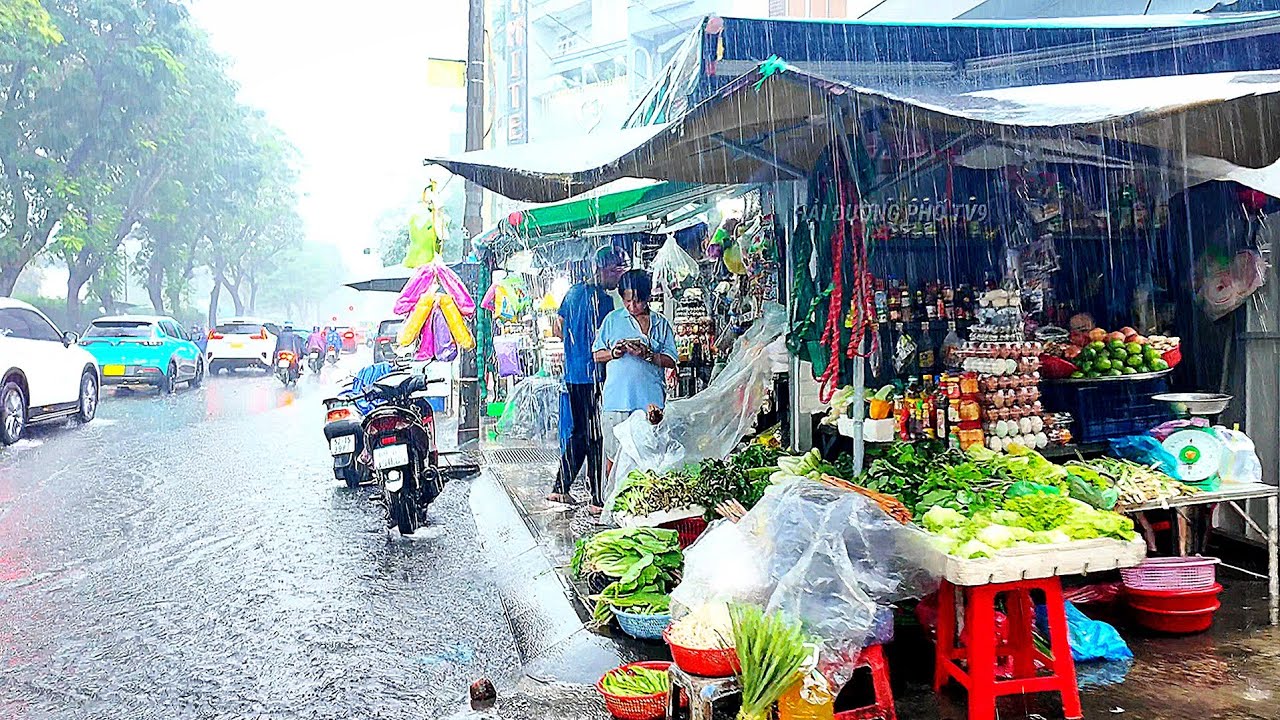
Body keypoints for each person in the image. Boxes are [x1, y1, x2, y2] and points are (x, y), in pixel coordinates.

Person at [546, 246, 627, 511]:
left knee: (581, 431)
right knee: (595, 435)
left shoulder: (572, 293)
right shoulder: (603, 301)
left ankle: (561, 487)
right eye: (615, 270)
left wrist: (575, 346)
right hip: (594, 375)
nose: (618, 277)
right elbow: (608, 341)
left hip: (573, 374)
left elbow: (557, 327)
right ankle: (597, 497)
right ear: (602, 269)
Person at [591, 269, 677, 502]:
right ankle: (612, 504)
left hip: (650, 402)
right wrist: (615, 352)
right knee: (614, 455)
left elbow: (671, 360)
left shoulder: (660, 324)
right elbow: (597, 354)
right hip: (617, 400)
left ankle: (646, 503)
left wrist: (649, 355)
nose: (632, 306)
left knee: (650, 454)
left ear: (648, 297)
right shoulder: (612, 320)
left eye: (637, 300)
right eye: (627, 300)